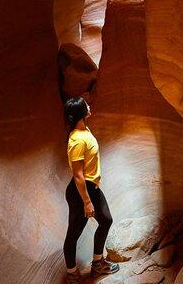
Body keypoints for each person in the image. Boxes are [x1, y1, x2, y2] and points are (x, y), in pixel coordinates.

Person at [63, 96, 119, 283]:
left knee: (106, 220)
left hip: (91, 187)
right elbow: (78, 175)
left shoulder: (83, 130)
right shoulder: (77, 140)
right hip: (81, 191)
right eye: (85, 104)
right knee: (74, 233)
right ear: (81, 112)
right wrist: (86, 201)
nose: (89, 105)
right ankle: (72, 274)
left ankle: (97, 263)